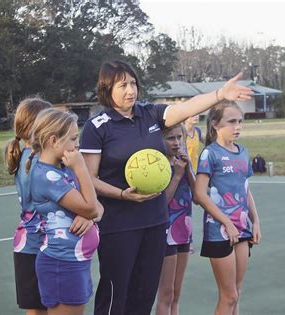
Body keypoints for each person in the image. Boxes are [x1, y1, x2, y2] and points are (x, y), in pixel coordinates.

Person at [79, 60, 252, 315]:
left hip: (155, 221)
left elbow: (185, 109)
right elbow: (88, 178)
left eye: (133, 84)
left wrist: (219, 95)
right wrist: (122, 194)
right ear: (107, 88)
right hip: (118, 225)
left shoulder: (149, 114)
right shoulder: (97, 127)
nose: (131, 91)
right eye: (123, 85)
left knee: (144, 294)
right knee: (116, 294)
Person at [28, 108, 103, 315]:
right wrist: (81, 168)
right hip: (62, 263)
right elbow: (90, 207)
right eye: (73, 139)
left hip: (75, 261)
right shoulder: (47, 176)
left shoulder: (62, 169)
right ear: (54, 141)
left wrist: (88, 217)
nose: (77, 144)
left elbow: (97, 208)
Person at [195, 100, 261, 315]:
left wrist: (256, 221)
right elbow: (199, 194)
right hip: (219, 231)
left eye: (240, 121)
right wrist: (226, 222)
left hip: (242, 228)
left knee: (237, 292)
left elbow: (245, 188)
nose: (237, 127)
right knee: (228, 295)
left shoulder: (243, 152)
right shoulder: (210, 154)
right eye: (231, 122)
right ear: (215, 124)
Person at [4, 98, 52, 315]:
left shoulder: (24, 158)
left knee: (35, 308)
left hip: (26, 245)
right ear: (37, 128)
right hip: (41, 244)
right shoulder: (39, 163)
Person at [156, 124, 196, 315]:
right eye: (171, 138)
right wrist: (177, 175)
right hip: (165, 233)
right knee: (166, 293)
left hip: (183, 232)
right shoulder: (158, 166)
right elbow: (162, 203)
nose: (176, 143)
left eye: (180, 137)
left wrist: (187, 170)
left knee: (176, 294)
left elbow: (198, 196)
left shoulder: (182, 163)